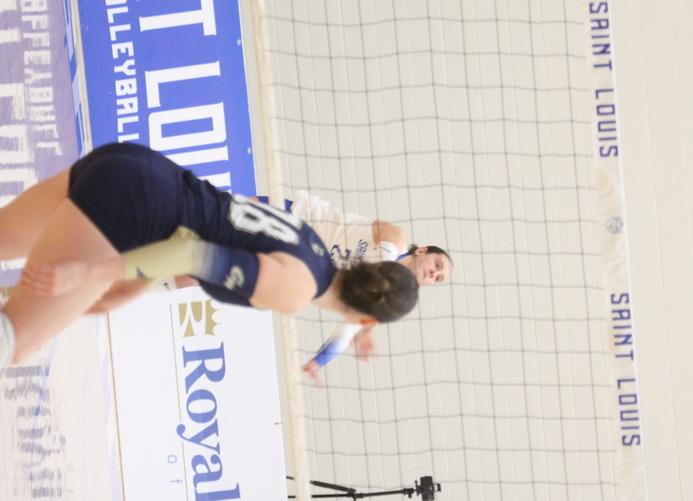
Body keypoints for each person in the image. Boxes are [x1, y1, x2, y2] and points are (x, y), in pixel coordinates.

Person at [0, 142, 418, 366]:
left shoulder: (312, 242)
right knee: (15, 342)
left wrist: (135, 283)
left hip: (134, 164)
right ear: (366, 319)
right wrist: (95, 274)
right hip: (132, 205)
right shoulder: (296, 290)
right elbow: (193, 254)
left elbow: (210, 231)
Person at [255, 192, 453, 386]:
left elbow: (347, 330)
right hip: (299, 217)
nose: (433, 274)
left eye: (438, 278)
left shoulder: (383, 294)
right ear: (421, 250)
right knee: (226, 212)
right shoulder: (397, 239)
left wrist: (318, 362)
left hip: (289, 255)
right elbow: (385, 256)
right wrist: (370, 314)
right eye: (437, 265)